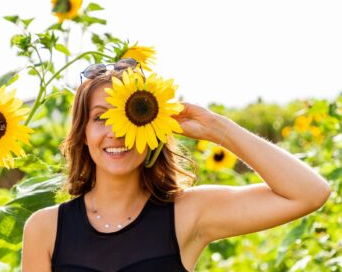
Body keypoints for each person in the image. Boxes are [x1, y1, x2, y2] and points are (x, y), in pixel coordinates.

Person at [21, 60, 331, 272]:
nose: (116, 131)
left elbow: (309, 193)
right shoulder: (45, 229)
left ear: (154, 129)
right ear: (83, 133)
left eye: (129, 115)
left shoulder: (188, 213)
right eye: (101, 117)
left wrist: (216, 128)